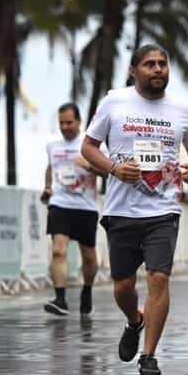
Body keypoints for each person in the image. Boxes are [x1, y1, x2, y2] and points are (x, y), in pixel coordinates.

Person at [81, 44, 188, 375]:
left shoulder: (182, 108)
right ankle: (134, 321)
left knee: (159, 279)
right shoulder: (114, 101)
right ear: (134, 70)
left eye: (163, 64)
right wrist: (113, 169)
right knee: (123, 287)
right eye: (149, 64)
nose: (158, 70)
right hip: (122, 210)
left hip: (164, 208)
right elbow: (88, 147)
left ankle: (149, 356)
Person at [42, 103, 107, 316]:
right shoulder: (53, 144)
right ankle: (60, 299)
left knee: (88, 256)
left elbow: (109, 171)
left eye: (69, 122)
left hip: (85, 206)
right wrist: (48, 187)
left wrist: (88, 166)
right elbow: (50, 167)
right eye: (61, 123)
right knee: (58, 250)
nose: (65, 127)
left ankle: (87, 290)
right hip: (59, 203)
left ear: (79, 121)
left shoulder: (91, 144)